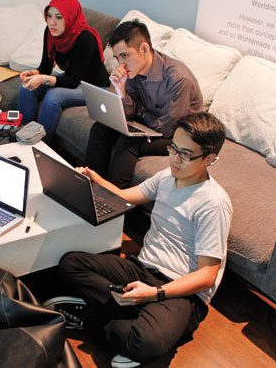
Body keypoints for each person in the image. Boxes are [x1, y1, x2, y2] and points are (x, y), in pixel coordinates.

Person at [45, 112, 232, 367]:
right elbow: (124, 197)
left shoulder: (213, 204)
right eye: (173, 148)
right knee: (71, 263)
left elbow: (207, 275)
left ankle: (90, 315)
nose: (175, 159)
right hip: (142, 269)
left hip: (181, 291)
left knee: (147, 342)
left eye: (186, 154)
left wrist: (154, 294)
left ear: (210, 159)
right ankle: (131, 315)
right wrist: (94, 180)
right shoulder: (167, 177)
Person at [86, 19, 203, 188]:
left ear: (144, 49)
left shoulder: (178, 78)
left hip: (179, 135)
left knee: (128, 142)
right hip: (153, 124)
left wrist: (139, 112)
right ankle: (90, 186)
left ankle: (115, 201)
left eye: (125, 56)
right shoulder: (134, 72)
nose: (121, 64)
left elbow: (166, 129)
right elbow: (129, 113)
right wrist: (121, 91)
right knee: (100, 129)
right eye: (118, 58)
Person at [18, 0, 109, 143]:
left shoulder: (85, 38)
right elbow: (46, 67)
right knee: (26, 87)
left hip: (94, 87)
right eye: (49, 16)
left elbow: (73, 81)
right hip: (74, 78)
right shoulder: (50, 32)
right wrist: (34, 73)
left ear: (70, 17)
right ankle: (24, 136)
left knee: (54, 96)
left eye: (59, 17)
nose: (52, 22)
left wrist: (43, 79)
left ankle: (41, 145)